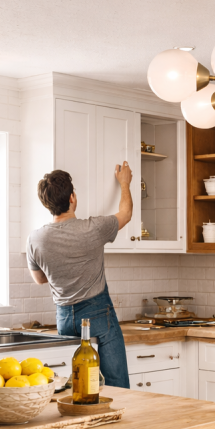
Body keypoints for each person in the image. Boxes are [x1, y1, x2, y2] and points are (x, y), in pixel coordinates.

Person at [26, 162, 133, 388]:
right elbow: (126, 213)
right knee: (116, 385)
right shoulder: (93, 228)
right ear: (72, 197)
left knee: (76, 387)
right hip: (98, 316)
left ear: (47, 204)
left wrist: (59, 267)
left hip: (65, 319)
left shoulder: (35, 239)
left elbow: (39, 279)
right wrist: (124, 183)